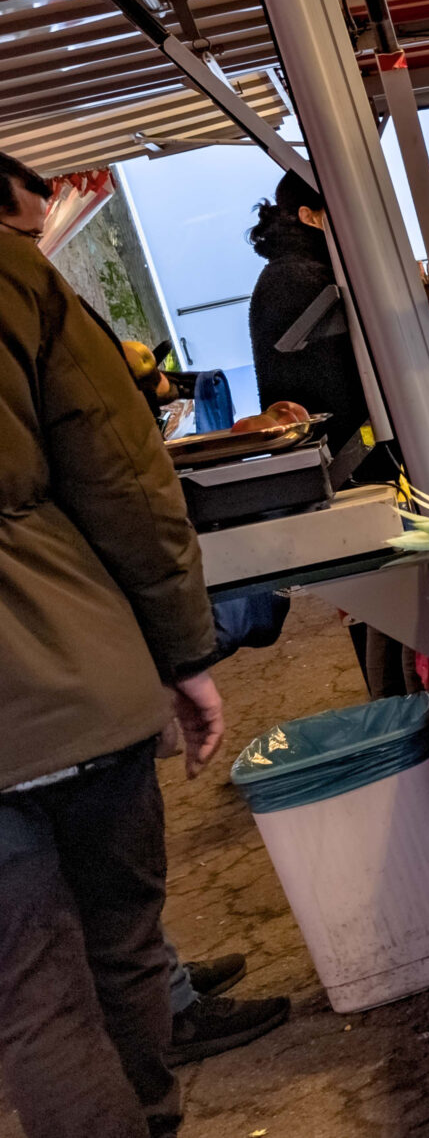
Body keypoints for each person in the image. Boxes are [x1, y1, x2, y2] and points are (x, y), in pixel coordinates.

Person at [0, 148, 230, 1137]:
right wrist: (185, 653)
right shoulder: (18, 284)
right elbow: (127, 484)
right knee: (122, 942)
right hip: (73, 677)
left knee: (30, 997)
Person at [246, 172, 372, 455]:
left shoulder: (301, 269)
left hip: (345, 449)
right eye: (341, 210)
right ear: (309, 216)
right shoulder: (294, 279)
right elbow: (376, 345)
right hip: (339, 458)